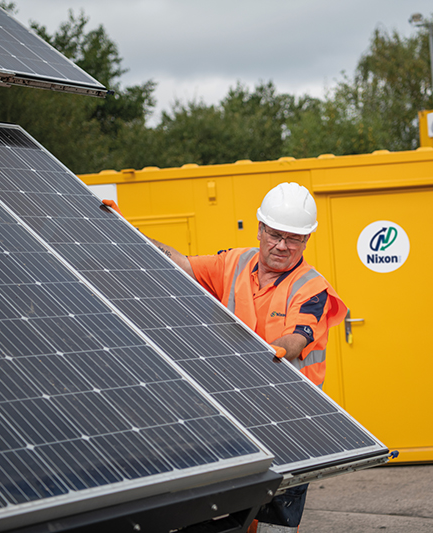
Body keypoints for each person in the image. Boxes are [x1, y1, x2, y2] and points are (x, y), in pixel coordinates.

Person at [103, 182, 347, 532]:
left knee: (275, 518)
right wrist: (126, 231)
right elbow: (180, 264)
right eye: (275, 234)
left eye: (293, 238)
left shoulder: (311, 287)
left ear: (306, 239)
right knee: (228, 508)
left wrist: (264, 356)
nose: (282, 245)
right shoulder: (234, 262)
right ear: (260, 229)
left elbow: (297, 339)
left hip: (291, 419)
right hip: (238, 412)